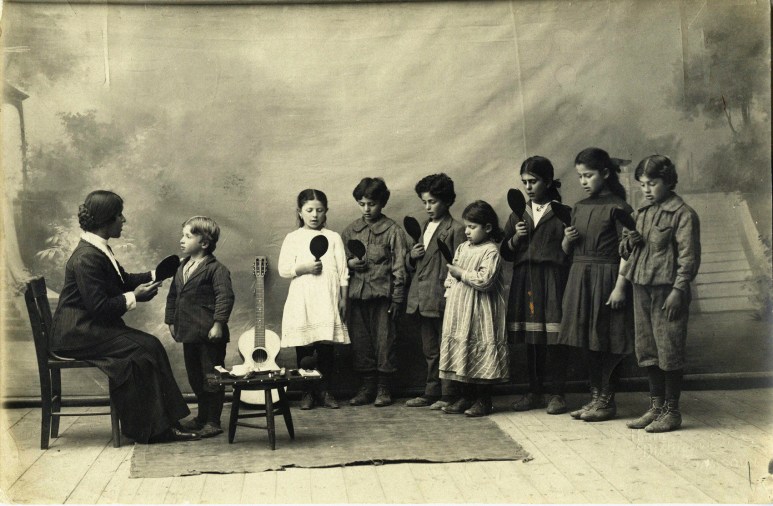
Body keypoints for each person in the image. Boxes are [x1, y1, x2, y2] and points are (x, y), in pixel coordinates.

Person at [50, 190, 199, 443]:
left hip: (88, 328)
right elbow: (99, 307)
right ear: (106, 220)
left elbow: (124, 280)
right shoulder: (87, 257)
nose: (124, 220)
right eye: (119, 215)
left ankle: (165, 422)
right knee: (146, 347)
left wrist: (158, 273)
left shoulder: (97, 248)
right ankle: (156, 428)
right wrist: (135, 297)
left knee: (147, 347)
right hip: (77, 333)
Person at [619, 155, 700, 432]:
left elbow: (688, 257)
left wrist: (679, 289)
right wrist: (629, 243)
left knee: (669, 348)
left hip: (668, 292)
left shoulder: (683, 214)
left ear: (668, 181)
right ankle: (656, 407)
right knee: (648, 348)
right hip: (641, 286)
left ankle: (672, 412)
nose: (646, 189)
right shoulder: (641, 213)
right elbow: (627, 252)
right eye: (642, 184)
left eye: (652, 183)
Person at [556, 147, 635, 422]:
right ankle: (595, 398)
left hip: (607, 278)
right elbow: (566, 251)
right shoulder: (578, 207)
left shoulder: (619, 207)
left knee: (606, 339)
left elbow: (629, 250)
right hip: (580, 277)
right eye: (580, 177)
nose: (583, 182)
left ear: (604, 173)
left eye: (588, 175)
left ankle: (607, 401)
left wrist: (620, 287)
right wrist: (567, 238)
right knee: (586, 340)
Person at [501, 156, 572, 415]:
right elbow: (506, 253)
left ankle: (557, 394)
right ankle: (533, 391)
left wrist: (568, 240)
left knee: (554, 336)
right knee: (532, 338)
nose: (528, 187)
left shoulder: (563, 213)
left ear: (549, 181)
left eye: (534, 181)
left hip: (552, 279)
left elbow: (569, 254)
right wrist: (515, 239)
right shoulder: (518, 214)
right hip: (526, 280)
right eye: (524, 182)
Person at [278, 189, 350, 410]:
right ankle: (307, 392)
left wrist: (343, 299)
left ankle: (325, 390)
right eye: (309, 210)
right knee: (305, 349)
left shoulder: (333, 237)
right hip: (303, 299)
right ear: (300, 212)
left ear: (326, 211)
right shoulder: (293, 238)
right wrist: (304, 267)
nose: (314, 215)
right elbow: (283, 269)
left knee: (326, 348)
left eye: (319, 210)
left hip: (327, 298)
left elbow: (343, 271)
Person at [165, 216, 235, 437]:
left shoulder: (217, 269)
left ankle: (213, 421)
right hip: (189, 334)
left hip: (210, 335)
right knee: (196, 378)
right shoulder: (181, 267)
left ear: (204, 243)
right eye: (183, 235)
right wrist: (171, 321)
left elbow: (225, 297)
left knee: (211, 378)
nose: (182, 240)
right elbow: (173, 296)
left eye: (188, 236)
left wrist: (218, 324)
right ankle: (202, 417)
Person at [342, 177, 408, 407]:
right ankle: (367, 386)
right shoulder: (350, 231)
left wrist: (398, 298)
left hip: (383, 298)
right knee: (361, 343)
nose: (366, 209)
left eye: (371, 204)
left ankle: (383, 388)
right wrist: (349, 264)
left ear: (382, 203)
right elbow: (339, 264)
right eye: (362, 204)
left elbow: (400, 267)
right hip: (356, 298)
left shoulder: (393, 231)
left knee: (384, 342)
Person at [439, 200, 509, 417]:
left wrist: (460, 274)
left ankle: (483, 400)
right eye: (466, 226)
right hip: (461, 309)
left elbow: (485, 280)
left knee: (480, 345)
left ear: (487, 228)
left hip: (481, 310)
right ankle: (465, 397)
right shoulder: (462, 247)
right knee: (463, 349)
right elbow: (451, 275)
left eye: (472, 227)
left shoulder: (491, 252)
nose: (467, 231)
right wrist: (450, 289)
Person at [404, 173, 466, 410]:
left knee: (446, 346)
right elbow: (417, 263)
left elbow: (459, 266)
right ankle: (431, 391)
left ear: (447, 201)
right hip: (422, 298)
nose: (428, 207)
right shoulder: (424, 227)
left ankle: (449, 394)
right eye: (425, 202)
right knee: (430, 349)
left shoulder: (456, 229)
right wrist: (412, 256)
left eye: (433, 201)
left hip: (443, 297)